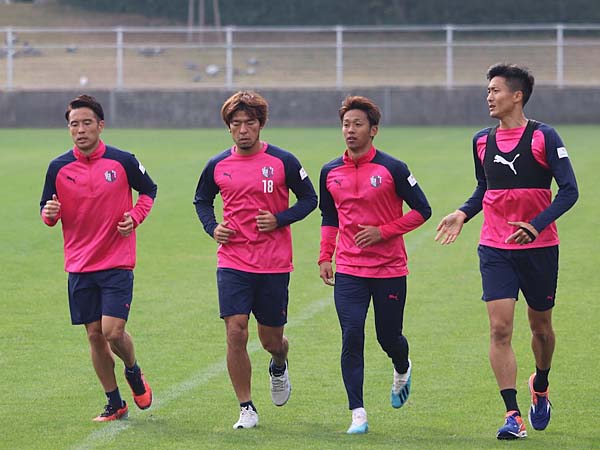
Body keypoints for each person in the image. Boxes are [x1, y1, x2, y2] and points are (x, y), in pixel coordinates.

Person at [435, 63, 579, 440]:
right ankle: (512, 415)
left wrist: (536, 225)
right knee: (499, 328)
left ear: (517, 96)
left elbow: (569, 191)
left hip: (540, 248)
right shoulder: (481, 141)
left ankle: (540, 385)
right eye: (488, 90)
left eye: (495, 90)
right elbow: (484, 188)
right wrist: (463, 213)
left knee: (541, 328)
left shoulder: (544, 137)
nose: (489, 97)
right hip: (495, 247)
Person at [193, 91, 317, 429]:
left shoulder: (283, 161)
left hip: (273, 263)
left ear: (261, 124)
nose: (243, 130)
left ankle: (279, 363)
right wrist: (212, 227)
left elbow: (310, 199)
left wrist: (279, 218)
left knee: (271, 341)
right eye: (236, 124)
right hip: (233, 261)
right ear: (228, 127)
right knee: (236, 331)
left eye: (249, 123)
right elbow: (202, 200)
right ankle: (246, 407)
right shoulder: (217, 165)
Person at [318, 95, 432, 434]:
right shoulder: (329, 171)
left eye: (358, 124)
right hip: (350, 270)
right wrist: (325, 256)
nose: (350, 130)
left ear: (374, 130)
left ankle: (402, 366)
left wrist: (384, 232)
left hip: (389, 269)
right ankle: (358, 413)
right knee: (352, 335)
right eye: (346, 124)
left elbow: (422, 210)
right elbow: (329, 216)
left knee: (388, 337)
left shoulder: (393, 168)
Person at [40, 94, 157, 422]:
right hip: (79, 265)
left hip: (117, 261)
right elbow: (47, 211)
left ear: (100, 125)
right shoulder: (58, 167)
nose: (80, 130)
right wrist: (50, 213)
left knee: (112, 332)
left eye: (86, 123)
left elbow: (149, 190)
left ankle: (132, 370)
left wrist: (135, 217)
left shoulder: (123, 161)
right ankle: (115, 403)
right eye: (74, 124)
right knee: (94, 335)